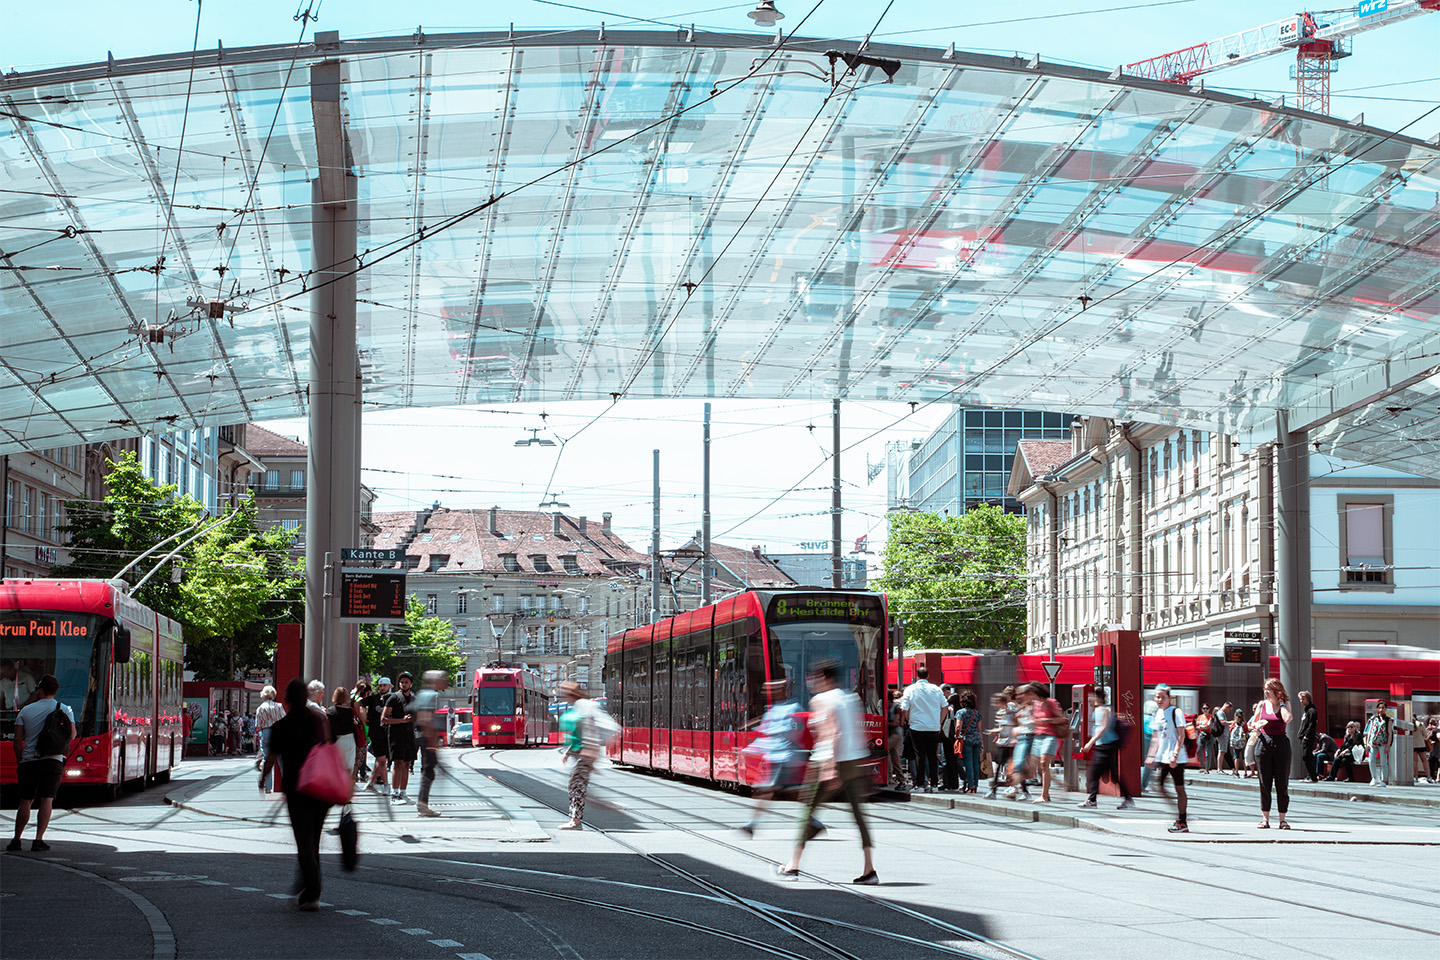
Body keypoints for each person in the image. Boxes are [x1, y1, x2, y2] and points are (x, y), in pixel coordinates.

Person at [778, 660, 877, 885]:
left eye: (815, 678)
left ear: (825, 678)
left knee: (807, 811)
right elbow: (861, 733)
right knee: (860, 817)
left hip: (827, 761)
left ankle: (793, 865)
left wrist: (831, 768)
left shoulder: (821, 700)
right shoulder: (852, 699)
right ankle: (870, 870)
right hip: (853, 762)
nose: (812, 682)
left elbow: (833, 732)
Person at [260, 679, 331, 911]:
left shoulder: (283, 725)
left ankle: (311, 892)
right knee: (314, 839)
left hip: (297, 789)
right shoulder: (317, 721)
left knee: (304, 841)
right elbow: (329, 748)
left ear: (288, 700)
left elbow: (271, 757)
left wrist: (263, 779)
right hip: (320, 788)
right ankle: (310, 887)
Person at [739, 679, 821, 837]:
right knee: (790, 792)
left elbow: (787, 735)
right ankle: (813, 821)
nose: (769, 693)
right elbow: (766, 734)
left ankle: (751, 825)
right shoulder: (773, 710)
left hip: (785, 758)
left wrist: (753, 748)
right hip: (776, 758)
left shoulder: (793, 708)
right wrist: (750, 748)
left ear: (784, 691)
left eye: (774, 690)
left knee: (766, 791)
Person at [7, 675, 74, 852]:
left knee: (25, 801)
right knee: (47, 800)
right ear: (55, 691)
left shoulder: (26, 710)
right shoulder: (65, 709)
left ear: (41, 690)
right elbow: (72, 734)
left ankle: (16, 839)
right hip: (53, 760)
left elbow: (18, 739)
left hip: (29, 761)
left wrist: (19, 758)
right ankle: (38, 840)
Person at [558, 680, 616, 829]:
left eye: (565, 693)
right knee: (576, 784)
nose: (564, 696)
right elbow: (579, 732)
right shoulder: (578, 706)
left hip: (586, 752)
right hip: (580, 751)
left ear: (572, 694)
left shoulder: (584, 706)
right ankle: (592, 803)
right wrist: (569, 750)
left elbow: (590, 728)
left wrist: (591, 748)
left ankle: (576, 820)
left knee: (576, 785)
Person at [1078, 687, 1133, 810]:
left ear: (1097, 697)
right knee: (1111, 774)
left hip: (1104, 746)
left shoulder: (1102, 710)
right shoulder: (1107, 708)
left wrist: (1090, 743)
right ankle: (1128, 798)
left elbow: (1102, 727)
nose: (1090, 699)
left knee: (1094, 772)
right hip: (1107, 745)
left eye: (1091, 697)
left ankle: (1092, 800)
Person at [1250, 678, 1293, 829]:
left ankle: (1282, 819)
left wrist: (1281, 703)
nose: (1266, 691)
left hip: (1281, 744)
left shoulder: (1285, 704)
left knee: (1282, 783)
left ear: (1276, 689)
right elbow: (1252, 724)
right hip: (1263, 743)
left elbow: (1287, 719)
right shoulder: (1262, 705)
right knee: (1264, 783)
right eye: (1265, 688)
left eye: (1268, 688)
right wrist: (1257, 725)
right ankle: (1265, 819)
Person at [1146, 685, 1189, 833]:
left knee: (1179, 788)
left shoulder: (1176, 712)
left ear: (1169, 698)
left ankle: (1182, 821)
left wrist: (1175, 754)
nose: (1159, 700)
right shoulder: (1157, 713)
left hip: (1175, 757)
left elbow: (1181, 735)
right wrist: (1151, 756)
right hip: (1163, 757)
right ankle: (1179, 815)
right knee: (1159, 786)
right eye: (1157, 697)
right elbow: (1155, 737)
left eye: (1163, 697)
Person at [899, 665, 945, 794]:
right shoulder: (936, 689)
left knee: (920, 756)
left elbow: (904, 709)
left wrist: (910, 721)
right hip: (933, 727)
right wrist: (939, 722)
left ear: (917, 676)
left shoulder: (910, 689)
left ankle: (920, 784)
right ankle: (934, 784)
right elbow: (945, 706)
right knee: (932, 756)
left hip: (917, 727)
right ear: (928, 676)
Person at [412, 670, 446, 818]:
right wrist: (432, 741)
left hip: (420, 736)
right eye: (442, 678)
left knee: (428, 770)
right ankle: (422, 804)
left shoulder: (422, 693)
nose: (445, 681)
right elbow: (426, 718)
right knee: (428, 772)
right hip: (427, 737)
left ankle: (422, 803)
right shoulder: (432, 695)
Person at [382, 673, 418, 803]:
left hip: (409, 735)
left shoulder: (414, 699)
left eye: (406, 682)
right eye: (402, 682)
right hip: (396, 735)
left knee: (407, 763)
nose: (404, 684)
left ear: (411, 684)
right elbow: (384, 719)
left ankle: (403, 792)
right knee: (398, 763)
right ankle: (395, 792)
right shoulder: (393, 698)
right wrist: (402, 720)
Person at [1028, 684, 1065, 803]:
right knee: (1038, 767)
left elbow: (1063, 719)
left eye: (1031, 693)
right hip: (1038, 736)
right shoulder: (1036, 704)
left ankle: (1044, 795)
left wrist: (1048, 720)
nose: (1030, 696)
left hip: (1050, 736)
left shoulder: (1051, 702)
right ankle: (1046, 795)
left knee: (1044, 764)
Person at [361, 678, 391, 795]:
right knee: (382, 760)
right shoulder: (374, 697)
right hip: (376, 732)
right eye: (380, 685)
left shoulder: (393, 698)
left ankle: (371, 781)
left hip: (387, 733)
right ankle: (386, 784)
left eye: (384, 685)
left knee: (381, 760)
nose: (382, 687)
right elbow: (358, 703)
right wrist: (364, 718)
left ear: (389, 686)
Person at [328, 687, 364, 784]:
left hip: (335, 740)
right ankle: (345, 791)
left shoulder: (330, 711)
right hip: (349, 739)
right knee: (348, 766)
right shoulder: (350, 711)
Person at [985, 690, 1016, 800]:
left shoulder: (1012, 711)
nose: (994, 705)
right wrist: (995, 731)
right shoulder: (1001, 712)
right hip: (1003, 742)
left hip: (1011, 743)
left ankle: (996, 790)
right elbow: (1002, 727)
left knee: (1008, 767)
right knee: (1001, 766)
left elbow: (1015, 725)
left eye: (996, 702)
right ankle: (994, 790)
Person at [954, 690, 984, 794]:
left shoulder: (960, 712)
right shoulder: (977, 713)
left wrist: (957, 736)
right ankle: (975, 785)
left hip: (966, 739)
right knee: (976, 762)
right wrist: (982, 742)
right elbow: (979, 729)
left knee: (968, 763)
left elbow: (958, 726)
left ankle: (970, 784)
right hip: (977, 739)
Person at [1363, 701, 1393, 786]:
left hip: (1383, 743)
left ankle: (1383, 780)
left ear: (1385, 709)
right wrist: (1367, 742)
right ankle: (1374, 777)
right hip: (1373, 743)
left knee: (1383, 762)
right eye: (1379, 708)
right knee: (1371, 761)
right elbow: (1370, 730)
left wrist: (1388, 746)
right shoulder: (1373, 718)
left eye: (1383, 708)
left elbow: (1390, 733)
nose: (1381, 710)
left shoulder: (1388, 720)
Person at [884, 688, 908, 791]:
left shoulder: (896, 707)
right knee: (894, 758)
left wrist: (883, 723)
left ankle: (890, 777)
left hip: (895, 735)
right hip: (890, 735)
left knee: (884, 751)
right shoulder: (887, 707)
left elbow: (895, 723)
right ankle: (901, 780)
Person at [940, 688, 960, 792]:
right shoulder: (959, 710)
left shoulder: (950, 709)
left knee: (947, 760)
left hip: (948, 737)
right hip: (956, 738)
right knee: (954, 761)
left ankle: (947, 783)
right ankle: (954, 783)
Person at [1297, 691, 1319, 782]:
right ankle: (1310, 775)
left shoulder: (1311, 711)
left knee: (1307, 756)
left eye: (1303, 699)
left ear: (1308, 700)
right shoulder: (1307, 711)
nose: (1301, 701)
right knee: (1307, 756)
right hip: (1304, 736)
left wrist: (1307, 735)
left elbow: (1312, 725)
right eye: (1300, 699)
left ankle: (1313, 776)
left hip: (1307, 737)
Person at [1196, 704, 1215, 774]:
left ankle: (1207, 768)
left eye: (1206, 708)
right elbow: (1196, 726)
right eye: (1204, 708)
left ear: (1209, 709)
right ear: (1202, 709)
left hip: (1209, 736)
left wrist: (1201, 727)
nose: (1205, 710)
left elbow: (1208, 726)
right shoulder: (1200, 717)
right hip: (1201, 736)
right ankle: (1202, 766)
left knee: (1208, 753)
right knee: (1199, 752)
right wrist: (1202, 727)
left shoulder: (1211, 717)